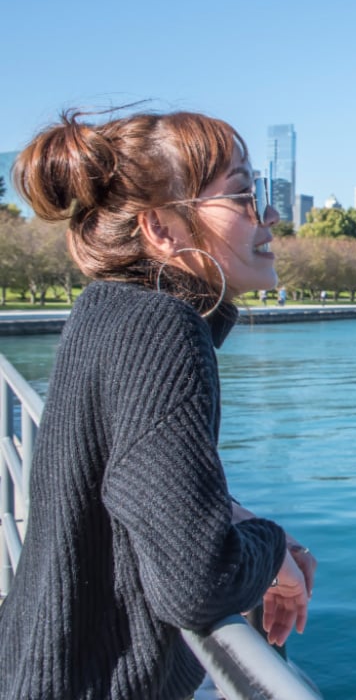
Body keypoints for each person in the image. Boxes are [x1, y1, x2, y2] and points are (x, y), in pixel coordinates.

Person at [0, 108, 317, 700]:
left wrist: (231, 512)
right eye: (244, 194)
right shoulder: (164, 329)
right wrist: (273, 546)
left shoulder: (108, 308)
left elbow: (131, 481)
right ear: (162, 229)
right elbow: (200, 582)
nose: (270, 214)